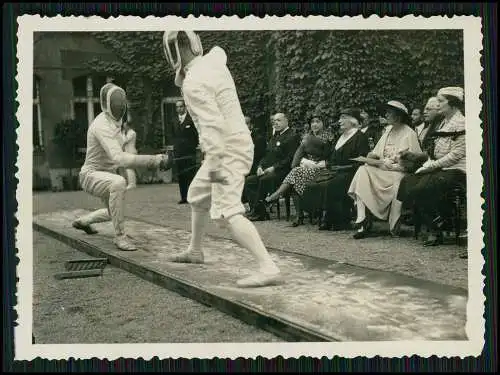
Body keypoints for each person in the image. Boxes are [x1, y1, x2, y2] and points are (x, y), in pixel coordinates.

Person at [162, 30, 281, 288]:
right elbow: (220, 53)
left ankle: (267, 266)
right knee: (196, 194)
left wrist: (214, 164)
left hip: (225, 151)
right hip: (232, 145)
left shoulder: (194, 82)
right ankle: (195, 250)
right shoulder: (214, 62)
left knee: (227, 212)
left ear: (176, 51)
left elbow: (213, 127)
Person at [72, 83, 171, 251]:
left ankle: (83, 221)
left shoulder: (116, 121)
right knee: (119, 183)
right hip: (91, 175)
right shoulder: (101, 125)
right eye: (116, 103)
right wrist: (154, 160)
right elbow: (120, 159)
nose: (120, 106)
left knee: (114, 212)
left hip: (106, 175)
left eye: (121, 103)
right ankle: (120, 237)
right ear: (106, 104)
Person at [397, 87, 466, 246]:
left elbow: (455, 155)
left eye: (441, 101)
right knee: (408, 181)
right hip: (440, 167)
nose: (438, 105)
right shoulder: (443, 122)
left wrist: (430, 166)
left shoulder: (461, 123)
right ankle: (433, 221)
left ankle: (436, 228)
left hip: (456, 169)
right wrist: (428, 164)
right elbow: (436, 152)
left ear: (453, 103)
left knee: (424, 187)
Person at [347, 100, 422, 239]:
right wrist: (370, 157)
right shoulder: (387, 131)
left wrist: (393, 164)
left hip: (398, 173)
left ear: (398, 116)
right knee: (363, 170)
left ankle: (370, 221)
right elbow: (375, 152)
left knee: (368, 173)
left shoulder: (409, 133)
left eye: (389, 113)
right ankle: (362, 219)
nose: (386, 115)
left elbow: (414, 162)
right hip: (382, 169)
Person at [301, 108, 370, 231]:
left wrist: (342, 167)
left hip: (352, 172)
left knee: (333, 184)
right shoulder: (340, 136)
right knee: (313, 183)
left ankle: (339, 220)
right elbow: (332, 157)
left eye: (343, 118)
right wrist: (327, 164)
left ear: (353, 121)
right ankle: (327, 217)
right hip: (335, 171)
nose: (340, 121)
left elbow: (362, 160)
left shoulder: (360, 137)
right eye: (340, 118)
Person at [264, 113, 335, 226]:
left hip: (323, 170)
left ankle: (276, 196)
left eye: (318, 121)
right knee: (295, 175)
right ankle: (299, 215)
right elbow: (296, 159)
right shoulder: (306, 137)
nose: (315, 124)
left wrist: (319, 163)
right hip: (306, 168)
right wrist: (304, 161)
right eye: (312, 122)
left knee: (295, 173)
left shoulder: (330, 137)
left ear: (323, 124)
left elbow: (331, 157)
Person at [173, 99, 199, 204]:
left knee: (190, 174)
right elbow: (173, 136)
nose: (179, 109)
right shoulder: (174, 120)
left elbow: (196, 135)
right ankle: (183, 197)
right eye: (177, 107)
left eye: (181, 106)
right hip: (178, 152)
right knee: (181, 175)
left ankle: (192, 196)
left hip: (189, 152)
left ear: (185, 107)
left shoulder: (191, 119)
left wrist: (193, 146)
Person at [120, 108, 138, 190]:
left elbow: (124, 141)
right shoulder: (128, 133)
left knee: (129, 168)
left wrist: (123, 133)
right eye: (123, 127)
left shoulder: (132, 133)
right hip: (128, 152)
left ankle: (132, 184)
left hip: (131, 152)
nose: (124, 128)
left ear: (128, 126)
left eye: (125, 127)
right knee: (129, 168)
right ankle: (131, 183)